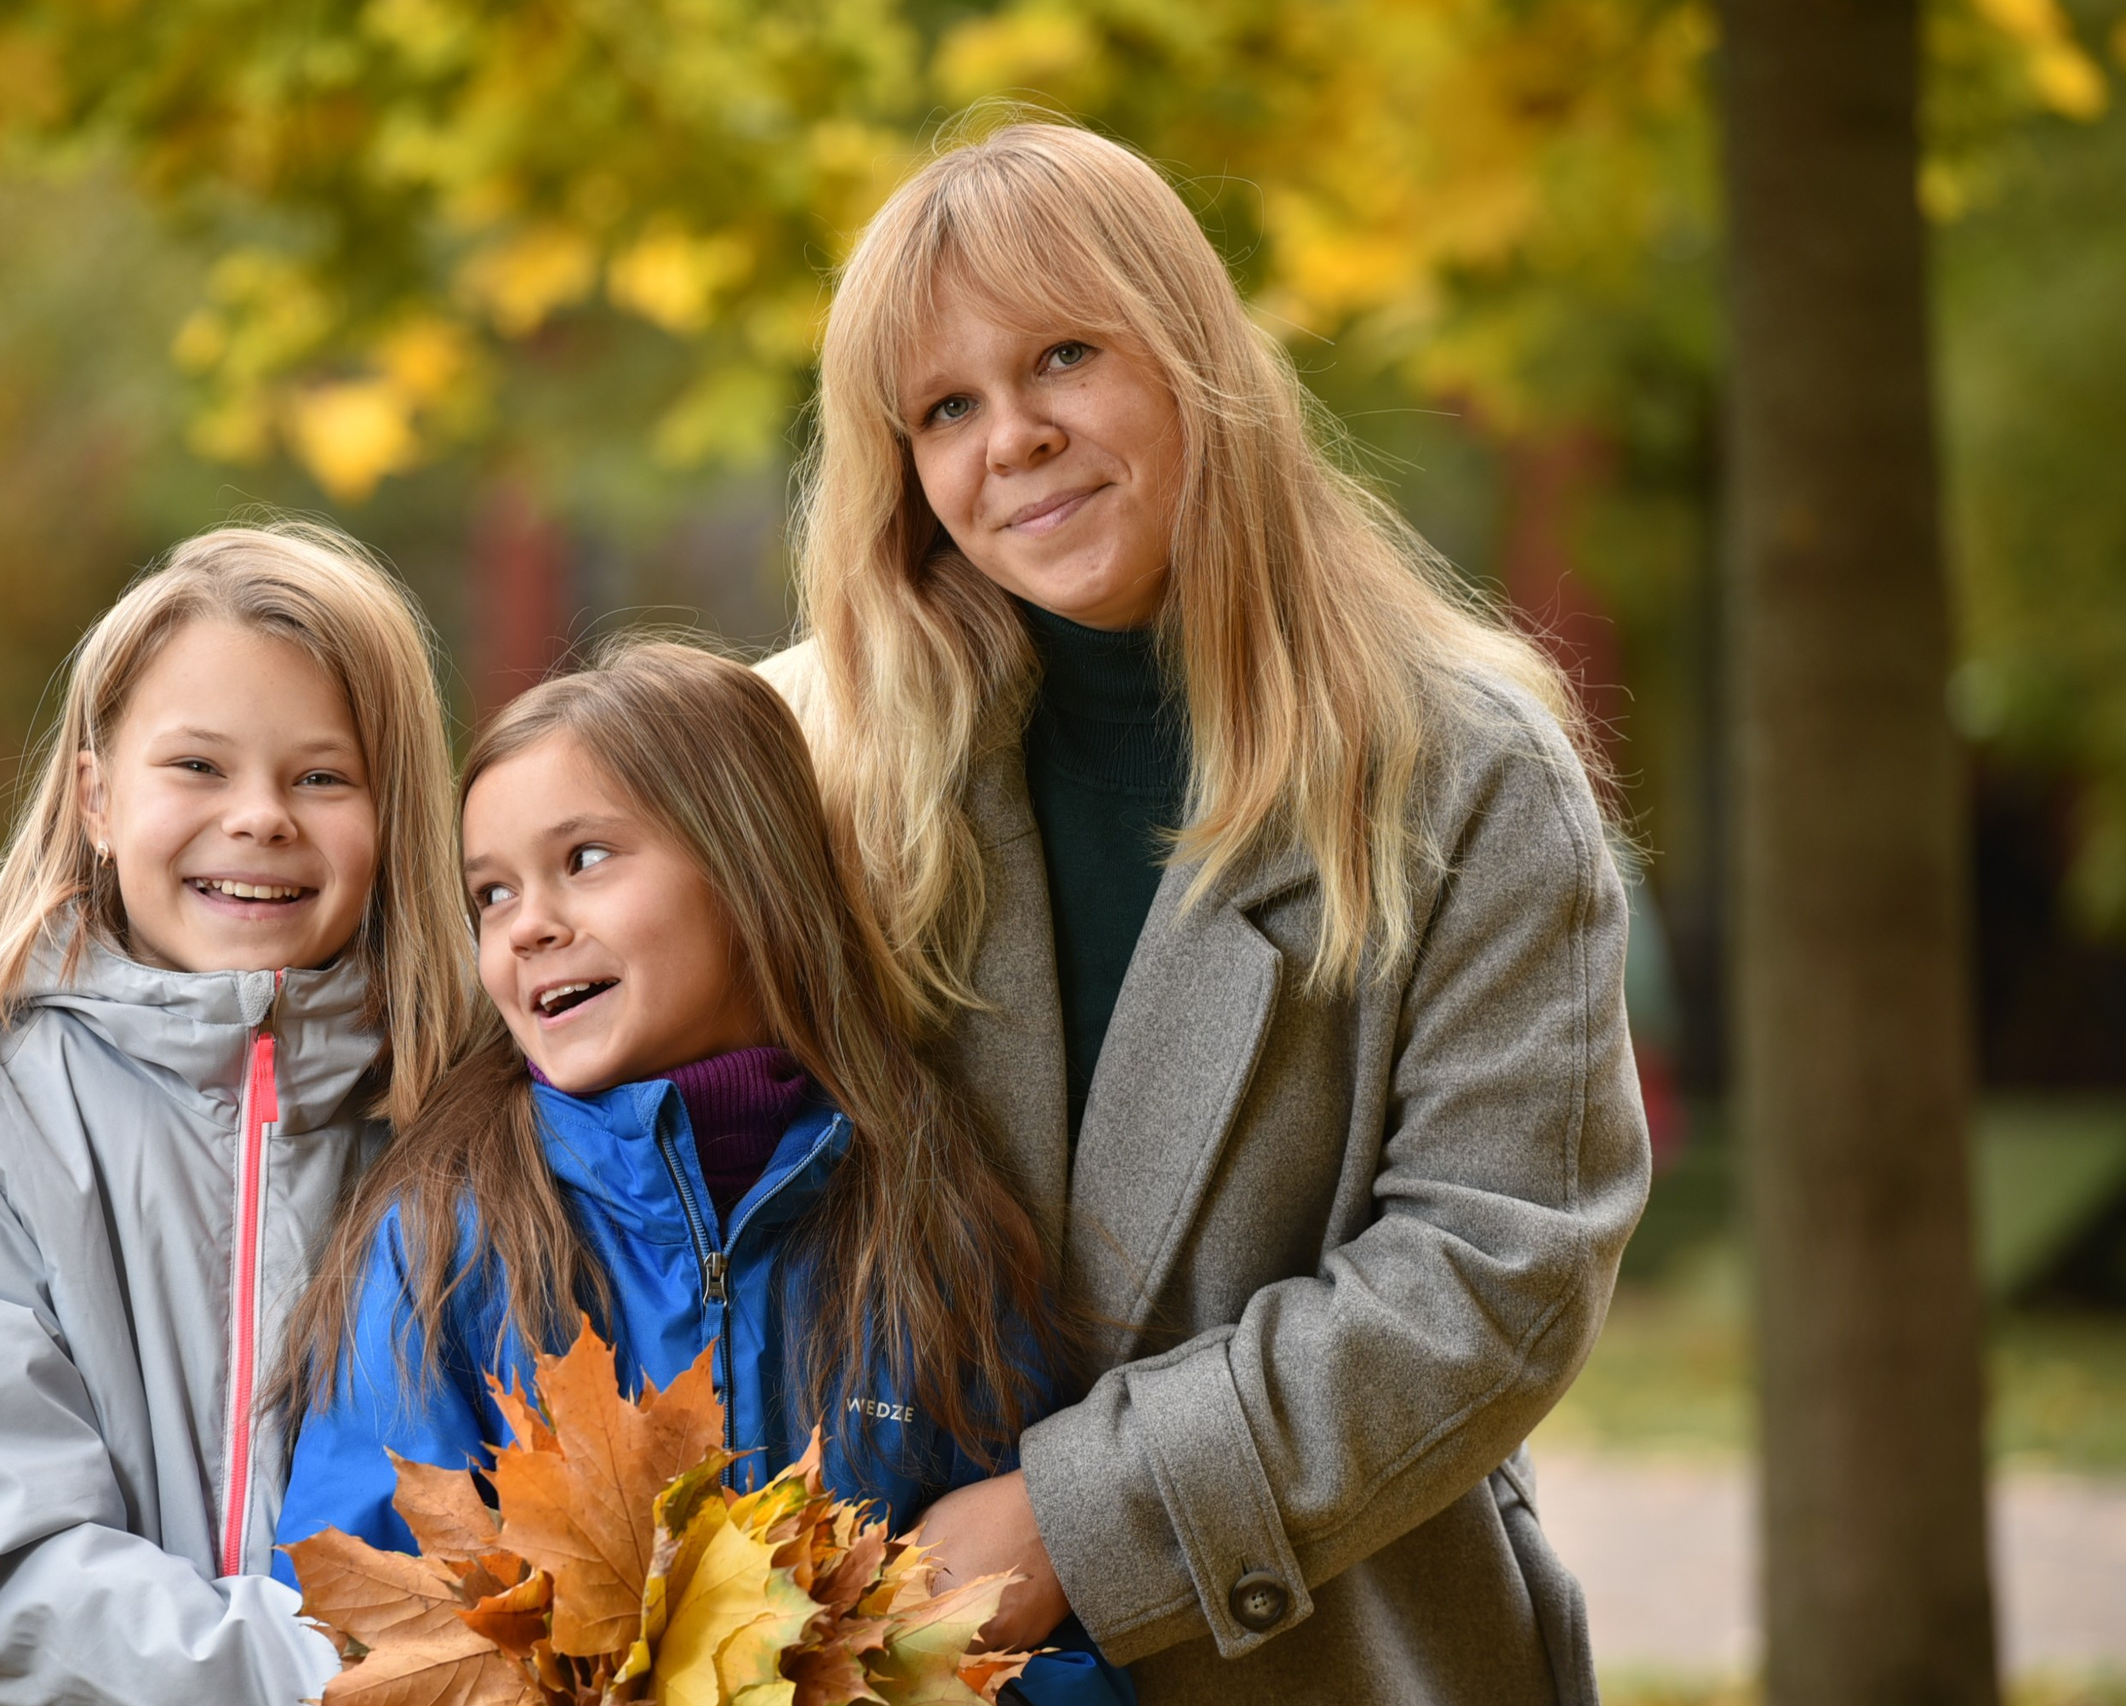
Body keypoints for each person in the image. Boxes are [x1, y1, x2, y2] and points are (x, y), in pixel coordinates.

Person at [765, 119, 1651, 1703]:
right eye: (945, 406)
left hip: (1341, 1649)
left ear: (1189, 350)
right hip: (878, 1649)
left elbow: (1496, 1271)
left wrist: (1078, 1521)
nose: (1012, 437)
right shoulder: (815, 760)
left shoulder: (1460, 771)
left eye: (1062, 355)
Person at [272, 642, 1130, 1704]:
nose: (527, 923)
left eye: (584, 857)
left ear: (747, 866)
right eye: (489, 892)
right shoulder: (448, 1235)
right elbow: (363, 1616)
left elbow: (1042, 1632)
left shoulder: (929, 1221)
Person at [0, 522, 473, 1706]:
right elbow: (5, 1574)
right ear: (94, 796)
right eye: (197, 766)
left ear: (396, 818)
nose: (261, 816)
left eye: (322, 776)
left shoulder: (462, 1133)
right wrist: (351, 1680)